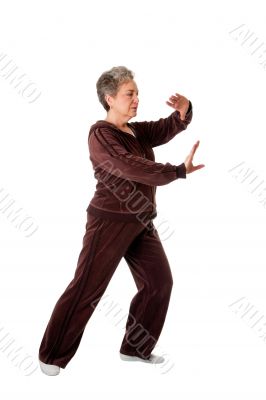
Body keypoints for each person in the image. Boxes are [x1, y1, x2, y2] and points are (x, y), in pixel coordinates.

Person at [38, 66, 205, 376]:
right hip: (109, 222)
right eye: (130, 94)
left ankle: (135, 348)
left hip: (141, 220)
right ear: (109, 98)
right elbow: (130, 166)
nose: (136, 99)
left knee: (159, 283)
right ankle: (51, 355)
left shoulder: (136, 131)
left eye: (137, 93)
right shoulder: (100, 134)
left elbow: (164, 128)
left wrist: (183, 112)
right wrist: (177, 171)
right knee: (87, 288)